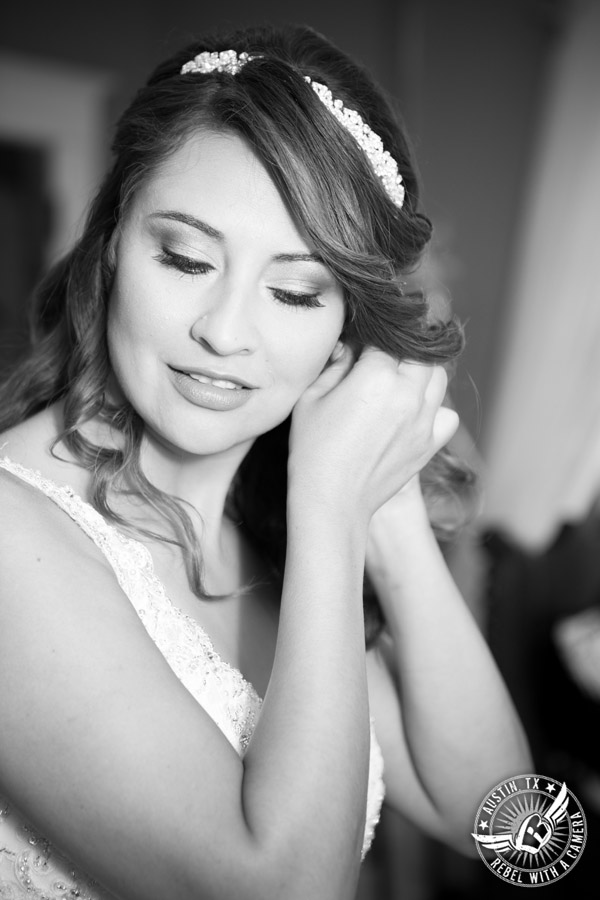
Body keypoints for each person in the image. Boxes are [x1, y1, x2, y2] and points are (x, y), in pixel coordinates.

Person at [0, 24, 531, 900]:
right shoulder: (17, 535)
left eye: (293, 290)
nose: (225, 331)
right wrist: (330, 511)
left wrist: (381, 507)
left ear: (344, 325)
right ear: (110, 246)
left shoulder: (271, 544)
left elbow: (511, 832)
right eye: (185, 257)